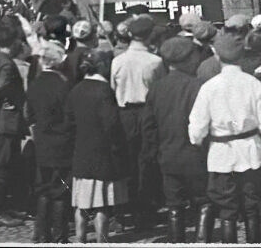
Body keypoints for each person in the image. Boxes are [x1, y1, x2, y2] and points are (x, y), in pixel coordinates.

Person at [188, 31, 261, 244]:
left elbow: (197, 127)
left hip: (221, 155)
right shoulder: (253, 84)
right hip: (251, 153)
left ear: (217, 56)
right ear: (241, 56)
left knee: (227, 209)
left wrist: (198, 141)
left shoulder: (209, 88)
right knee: (251, 206)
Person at [141, 37, 211, 243]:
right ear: (187, 59)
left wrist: (152, 154)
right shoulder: (198, 86)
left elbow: (148, 126)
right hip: (196, 154)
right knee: (204, 201)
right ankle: (202, 241)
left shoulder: (156, 88)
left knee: (174, 204)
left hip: (168, 155)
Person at [66, 50, 129, 243]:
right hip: (103, 154)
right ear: (104, 66)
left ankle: (80, 237)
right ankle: (102, 240)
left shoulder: (76, 89)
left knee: (81, 204)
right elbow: (111, 124)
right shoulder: (104, 91)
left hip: (81, 151)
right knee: (102, 204)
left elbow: (69, 121)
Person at [109, 16, 166, 228]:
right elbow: (159, 92)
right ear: (150, 35)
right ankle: (145, 209)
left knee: (127, 161)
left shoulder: (117, 61)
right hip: (147, 113)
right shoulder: (155, 62)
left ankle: (125, 209)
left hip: (124, 113)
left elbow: (113, 91)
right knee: (147, 161)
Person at [26, 42, 72, 243]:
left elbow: (29, 114)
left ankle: (41, 233)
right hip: (62, 142)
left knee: (43, 188)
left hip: (42, 141)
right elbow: (69, 116)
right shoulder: (63, 85)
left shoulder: (35, 84)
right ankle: (59, 236)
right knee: (60, 191)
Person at [0, 25, 28, 227]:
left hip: (3, 120)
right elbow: (3, 86)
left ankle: (3, 207)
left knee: (5, 165)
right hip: (6, 121)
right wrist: (14, 101)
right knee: (1, 167)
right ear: (13, 43)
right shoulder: (6, 64)